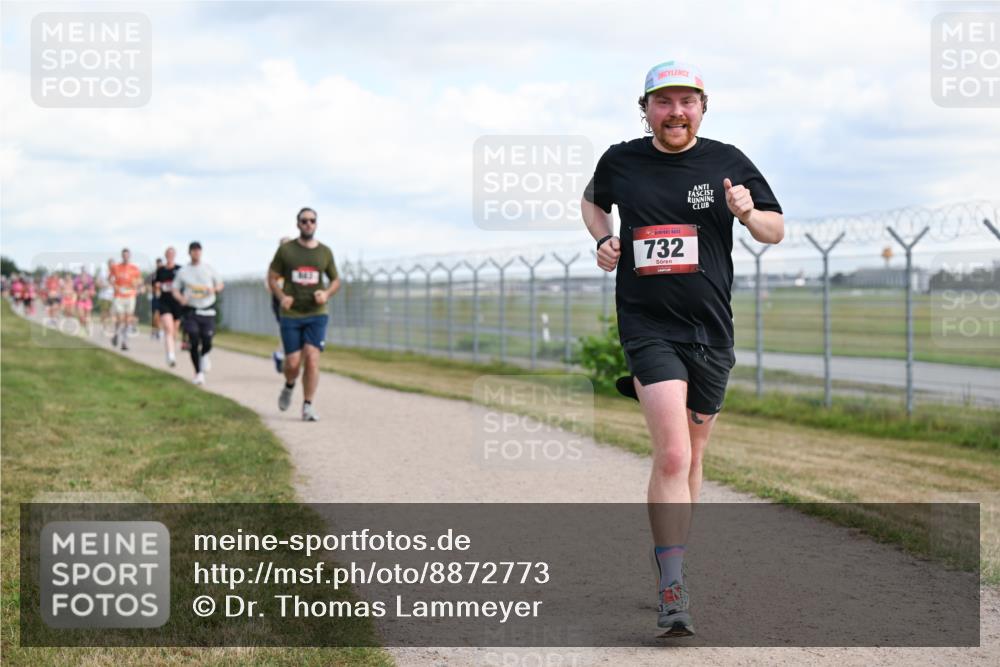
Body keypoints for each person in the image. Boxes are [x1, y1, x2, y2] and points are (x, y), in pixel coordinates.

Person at [582, 60, 784, 637]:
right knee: (672, 455)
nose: (675, 112)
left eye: (686, 102)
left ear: (703, 106)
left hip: (711, 331)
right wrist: (604, 237)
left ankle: (670, 554)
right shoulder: (621, 159)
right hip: (647, 326)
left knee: (694, 458)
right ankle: (673, 588)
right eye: (663, 102)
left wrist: (746, 214)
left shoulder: (728, 162)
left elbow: (776, 229)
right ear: (644, 108)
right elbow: (592, 201)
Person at [268, 208, 340, 421]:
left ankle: (307, 405)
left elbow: (336, 280)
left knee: (312, 358)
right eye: (304, 221)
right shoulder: (286, 251)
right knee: (292, 363)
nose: (308, 224)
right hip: (291, 314)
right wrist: (282, 297)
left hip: (316, 313)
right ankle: (289, 385)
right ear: (297, 224)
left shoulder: (324, 252)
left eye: (312, 221)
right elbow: (272, 277)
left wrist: (326, 293)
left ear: (316, 224)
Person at [174, 241, 223, 385]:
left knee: (207, 341)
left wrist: (213, 290)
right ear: (189, 253)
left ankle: (205, 354)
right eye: (193, 251)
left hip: (207, 309)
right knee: (193, 339)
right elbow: (175, 288)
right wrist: (180, 298)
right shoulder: (183, 271)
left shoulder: (208, 269)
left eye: (198, 251)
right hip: (191, 310)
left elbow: (220, 284)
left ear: (201, 252)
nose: (196, 253)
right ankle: (198, 373)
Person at [153, 247, 184, 367]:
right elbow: (155, 285)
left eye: (172, 254)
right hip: (164, 302)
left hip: (177, 303)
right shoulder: (160, 270)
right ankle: (170, 355)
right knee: (168, 328)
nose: (170, 256)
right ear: (166, 255)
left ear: (175, 255)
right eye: (168, 254)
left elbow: (185, 284)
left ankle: (170, 350)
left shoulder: (180, 270)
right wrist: (158, 286)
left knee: (175, 331)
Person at [109, 248, 142, 351]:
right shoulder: (115, 267)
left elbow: (139, 281)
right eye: (124, 255)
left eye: (127, 255)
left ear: (130, 256)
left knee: (128, 319)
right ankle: (116, 334)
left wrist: (137, 285)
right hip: (119, 295)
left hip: (130, 295)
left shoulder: (135, 268)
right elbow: (110, 279)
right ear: (122, 256)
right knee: (120, 318)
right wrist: (114, 285)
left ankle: (124, 342)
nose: (125, 257)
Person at [268, 236, 292, 373]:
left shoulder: (297, 263)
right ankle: (281, 355)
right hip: (280, 302)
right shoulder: (275, 265)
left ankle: (281, 354)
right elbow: (269, 284)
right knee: (286, 331)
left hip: (295, 302)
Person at [150, 257, 164, 340]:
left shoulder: (165, 273)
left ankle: (159, 331)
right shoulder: (153, 275)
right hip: (155, 297)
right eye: (158, 264)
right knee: (155, 315)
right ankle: (154, 331)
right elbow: (148, 284)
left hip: (163, 298)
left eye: (160, 264)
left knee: (161, 315)